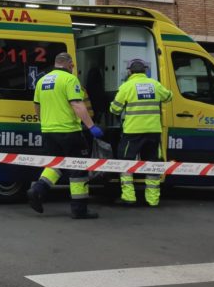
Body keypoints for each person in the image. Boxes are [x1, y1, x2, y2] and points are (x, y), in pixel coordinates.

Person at [27, 52, 104, 219]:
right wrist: (91, 126)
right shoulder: (70, 80)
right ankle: (79, 209)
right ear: (69, 64)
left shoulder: (42, 81)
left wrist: (44, 122)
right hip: (69, 131)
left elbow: (37, 106)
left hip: (48, 131)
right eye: (72, 65)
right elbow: (76, 104)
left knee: (56, 164)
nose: (72, 68)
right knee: (78, 168)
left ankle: (37, 190)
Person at [110, 59, 173, 207]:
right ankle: (152, 200)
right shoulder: (155, 85)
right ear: (145, 71)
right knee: (152, 164)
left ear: (129, 72)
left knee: (126, 162)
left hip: (133, 132)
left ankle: (129, 197)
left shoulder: (126, 86)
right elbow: (169, 96)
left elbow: (115, 109)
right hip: (153, 131)